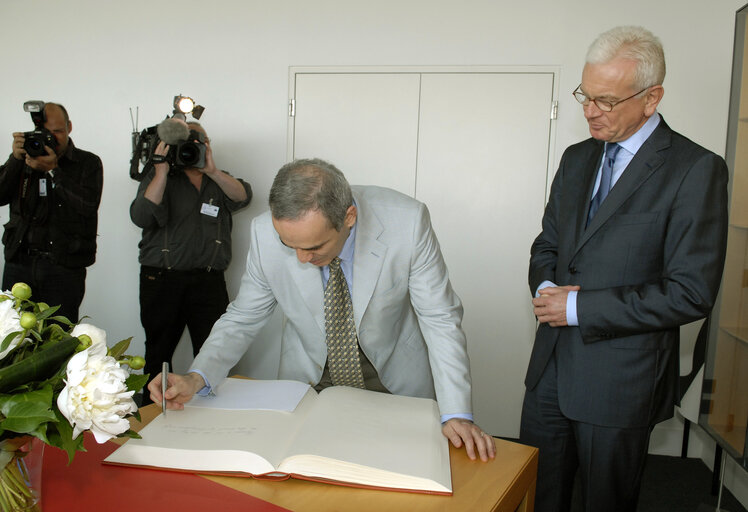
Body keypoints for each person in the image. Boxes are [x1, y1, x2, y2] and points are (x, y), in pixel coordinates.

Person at [147, 158, 496, 461]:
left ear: (349, 217)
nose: (302, 259)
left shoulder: (407, 222)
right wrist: (197, 376)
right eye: (290, 245)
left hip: (392, 377)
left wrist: (457, 412)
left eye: (314, 246)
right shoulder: (264, 233)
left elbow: (439, 317)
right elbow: (244, 316)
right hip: (310, 379)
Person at [520, 26, 729, 512]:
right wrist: (549, 286)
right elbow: (547, 244)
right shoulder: (576, 159)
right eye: (585, 96)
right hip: (549, 370)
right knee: (536, 496)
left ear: (651, 98)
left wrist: (579, 306)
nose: (591, 110)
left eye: (607, 101)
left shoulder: (695, 169)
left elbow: (691, 292)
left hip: (621, 383)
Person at [130, 121, 252, 404]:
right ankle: (152, 414)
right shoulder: (158, 176)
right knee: (158, 353)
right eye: (186, 142)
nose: (192, 147)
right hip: (160, 280)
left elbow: (243, 196)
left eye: (200, 140)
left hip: (208, 282)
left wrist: (212, 170)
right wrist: (160, 169)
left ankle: (215, 419)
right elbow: (141, 217)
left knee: (215, 352)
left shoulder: (218, 179)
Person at [0, 102, 103, 322]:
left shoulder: (87, 163)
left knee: (59, 336)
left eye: (58, 131)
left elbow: (87, 205)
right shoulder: (25, 157)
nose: (52, 138)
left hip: (63, 268)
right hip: (20, 263)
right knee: (12, 334)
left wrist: (53, 171)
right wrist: (15, 160)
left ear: (70, 127)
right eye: (47, 133)